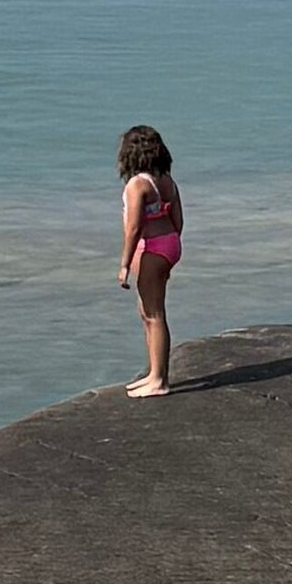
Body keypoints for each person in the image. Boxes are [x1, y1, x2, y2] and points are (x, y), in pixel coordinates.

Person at [115, 124, 184, 397]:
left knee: (154, 314)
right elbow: (178, 219)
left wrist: (124, 264)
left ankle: (159, 379)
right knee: (146, 311)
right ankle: (153, 371)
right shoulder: (166, 180)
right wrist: (170, 251)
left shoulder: (138, 185)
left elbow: (133, 227)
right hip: (167, 244)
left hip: (153, 249)